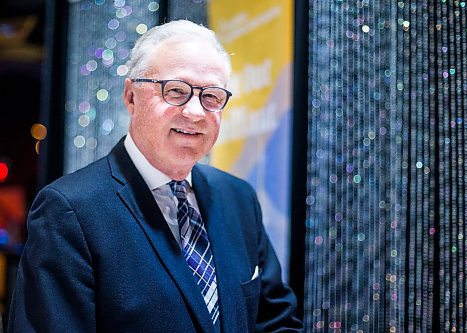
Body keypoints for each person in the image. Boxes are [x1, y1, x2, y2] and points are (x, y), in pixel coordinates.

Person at [8, 20, 303, 332]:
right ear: (131, 97)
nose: (195, 112)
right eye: (176, 91)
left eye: (212, 97)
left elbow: (275, 321)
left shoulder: (238, 198)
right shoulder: (70, 210)